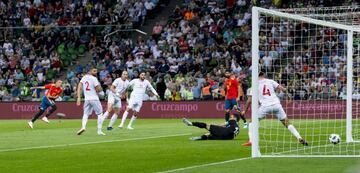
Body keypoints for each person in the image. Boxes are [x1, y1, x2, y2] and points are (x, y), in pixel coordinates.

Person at [241, 72, 308, 146]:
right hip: (276, 105)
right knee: (287, 123)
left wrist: (244, 111)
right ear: (263, 75)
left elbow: (249, 100)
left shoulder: (255, 85)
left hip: (265, 106)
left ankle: (251, 141)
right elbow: (283, 89)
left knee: (252, 122)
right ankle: (299, 137)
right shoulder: (270, 81)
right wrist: (289, 97)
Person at [76, 67, 106, 135]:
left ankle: (83, 127)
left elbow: (79, 87)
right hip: (94, 98)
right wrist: (101, 92)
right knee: (100, 114)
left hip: (87, 99)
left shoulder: (83, 78)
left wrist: (79, 97)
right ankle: (99, 130)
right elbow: (98, 89)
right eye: (94, 71)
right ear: (89, 71)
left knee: (86, 114)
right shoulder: (94, 78)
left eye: (96, 71)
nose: (96, 72)